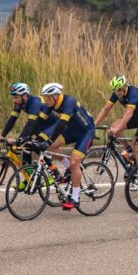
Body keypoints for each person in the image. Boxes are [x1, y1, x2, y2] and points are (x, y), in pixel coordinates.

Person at [34, 82, 97, 211]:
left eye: (47, 97)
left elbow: (61, 124)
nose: (45, 100)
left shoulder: (69, 101)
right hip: (72, 131)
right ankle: (70, 170)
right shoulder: (50, 105)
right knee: (52, 146)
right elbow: (38, 122)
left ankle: (75, 198)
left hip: (86, 132)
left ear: (56, 96)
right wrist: (27, 138)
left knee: (75, 162)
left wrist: (48, 139)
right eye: (44, 97)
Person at [92, 74, 138, 169]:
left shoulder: (133, 92)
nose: (117, 93)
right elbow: (106, 109)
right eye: (115, 91)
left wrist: (117, 129)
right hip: (136, 117)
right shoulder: (117, 93)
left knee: (136, 146)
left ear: (125, 86)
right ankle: (129, 150)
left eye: (119, 90)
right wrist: (94, 125)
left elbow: (128, 113)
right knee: (114, 126)